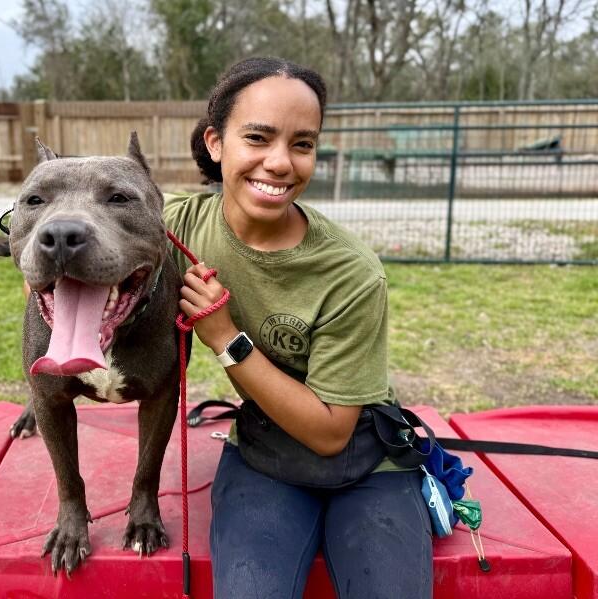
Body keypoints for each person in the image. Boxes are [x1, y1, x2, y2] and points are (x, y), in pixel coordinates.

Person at [163, 57, 432, 599]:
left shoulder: (351, 272)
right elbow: (71, 231)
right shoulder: (177, 226)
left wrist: (225, 338)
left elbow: (331, 433)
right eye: (258, 137)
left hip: (364, 457)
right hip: (265, 452)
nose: (280, 163)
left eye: (302, 144)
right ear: (216, 143)